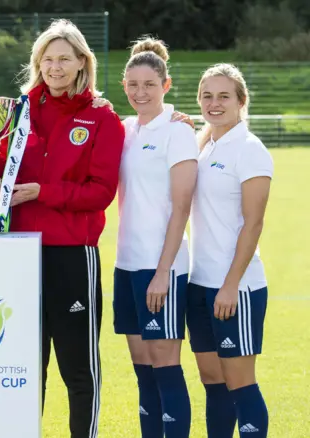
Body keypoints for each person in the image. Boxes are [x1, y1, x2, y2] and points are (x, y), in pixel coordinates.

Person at [0, 19, 125, 438]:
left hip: (72, 254)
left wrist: (42, 192)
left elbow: (100, 192)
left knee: (78, 367)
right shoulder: (16, 111)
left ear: (82, 62)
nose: (55, 67)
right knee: (25, 366)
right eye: (48, 58)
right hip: (18, 251)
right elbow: (0, 179)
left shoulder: (101, 117)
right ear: (37, 61)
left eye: (64, 58)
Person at [112, 37, 198, 438]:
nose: (139, 93)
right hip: (125, 263)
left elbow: (181, 207)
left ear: (166, 85)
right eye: (132, 84)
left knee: (165, 363)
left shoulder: (177, 132)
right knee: (142, 367)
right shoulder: (124, 129)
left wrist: (163, 272)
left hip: (161, 266)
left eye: (149, 85)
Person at [187, 63, 272, 438]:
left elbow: (253, 224)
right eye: (207, 95)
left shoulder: (250, 149)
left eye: (224, 96)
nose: (214, 103)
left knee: (240, 382)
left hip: (235, 287)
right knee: (212, 379)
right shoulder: (205, 146)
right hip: (199, 283)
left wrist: (230, 284)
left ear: (241, 102)